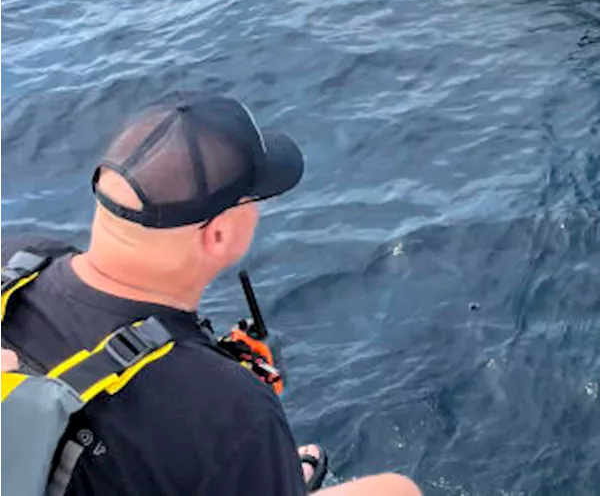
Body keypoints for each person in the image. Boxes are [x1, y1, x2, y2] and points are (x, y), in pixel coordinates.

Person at [0, 94, 422, 495]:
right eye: (253, 202)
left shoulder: (18, 256)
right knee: (396, 490)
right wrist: (237, 422)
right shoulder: (233, 412)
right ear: (220, 234)